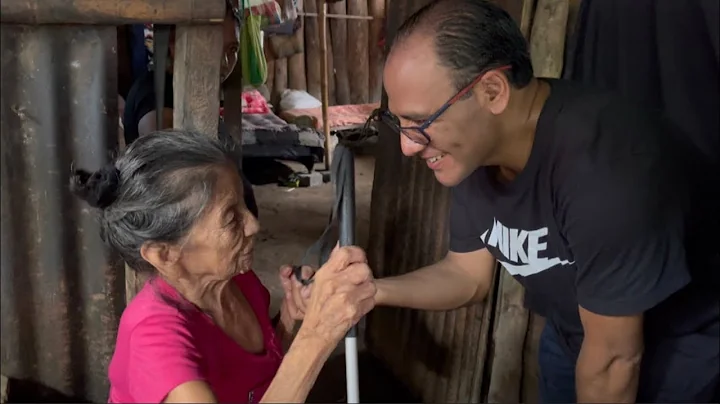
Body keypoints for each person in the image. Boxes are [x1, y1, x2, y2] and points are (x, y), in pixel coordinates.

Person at [293, 0, 720, 402]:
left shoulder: (605, 169)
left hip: (672, 351)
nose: (407, 147)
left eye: (420, 122)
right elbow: (467, 275)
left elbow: (613, 361)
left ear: (492, 91)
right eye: (398, 122)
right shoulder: (471, 152)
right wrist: (369, 293)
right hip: (573, 336)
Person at [70, 130, 376, 403]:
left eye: (244, 204)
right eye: (231, 218)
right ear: (164, 254)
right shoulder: (153, 341)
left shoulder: (237, 280)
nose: (254, 225)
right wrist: (318, 335)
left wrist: (288, 320)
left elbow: (254, 377)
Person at [121, 0, 261, 218]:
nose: (225, 61)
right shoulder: (156, 96)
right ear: (173, 45)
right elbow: (172, 174)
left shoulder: (189, 91)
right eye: (215, 46)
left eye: (232, 49)